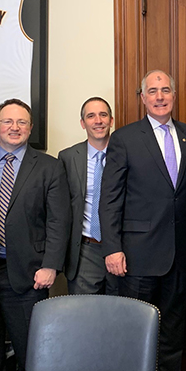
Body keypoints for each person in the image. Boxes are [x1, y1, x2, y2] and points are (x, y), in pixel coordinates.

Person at [99, 70, 186, 371]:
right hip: (137, 256)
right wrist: (112, 248)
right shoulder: (125, 138)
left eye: (166, 90)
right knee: (138, 335)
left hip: (179, 256)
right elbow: (110, 198)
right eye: (153, 91)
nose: (160, 97)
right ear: (142, 98)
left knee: (174, 334)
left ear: (174, 95)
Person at [0, 99, 71, 371]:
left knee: (29, 351)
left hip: (27, 272)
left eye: (21, 122)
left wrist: (50, 266)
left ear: (31, 128)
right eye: (7, 121)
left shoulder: (49, 166)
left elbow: (59, 220)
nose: (14, 127)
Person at [58, 97, 118, 295]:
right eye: (91, 116)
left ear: (111, 120)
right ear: (83, 123)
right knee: (84, 318)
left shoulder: (126, 154)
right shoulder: (67, 157)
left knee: (120, 316)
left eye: (103, 115)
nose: (98, 121)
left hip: (120, 249)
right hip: (85, 250)